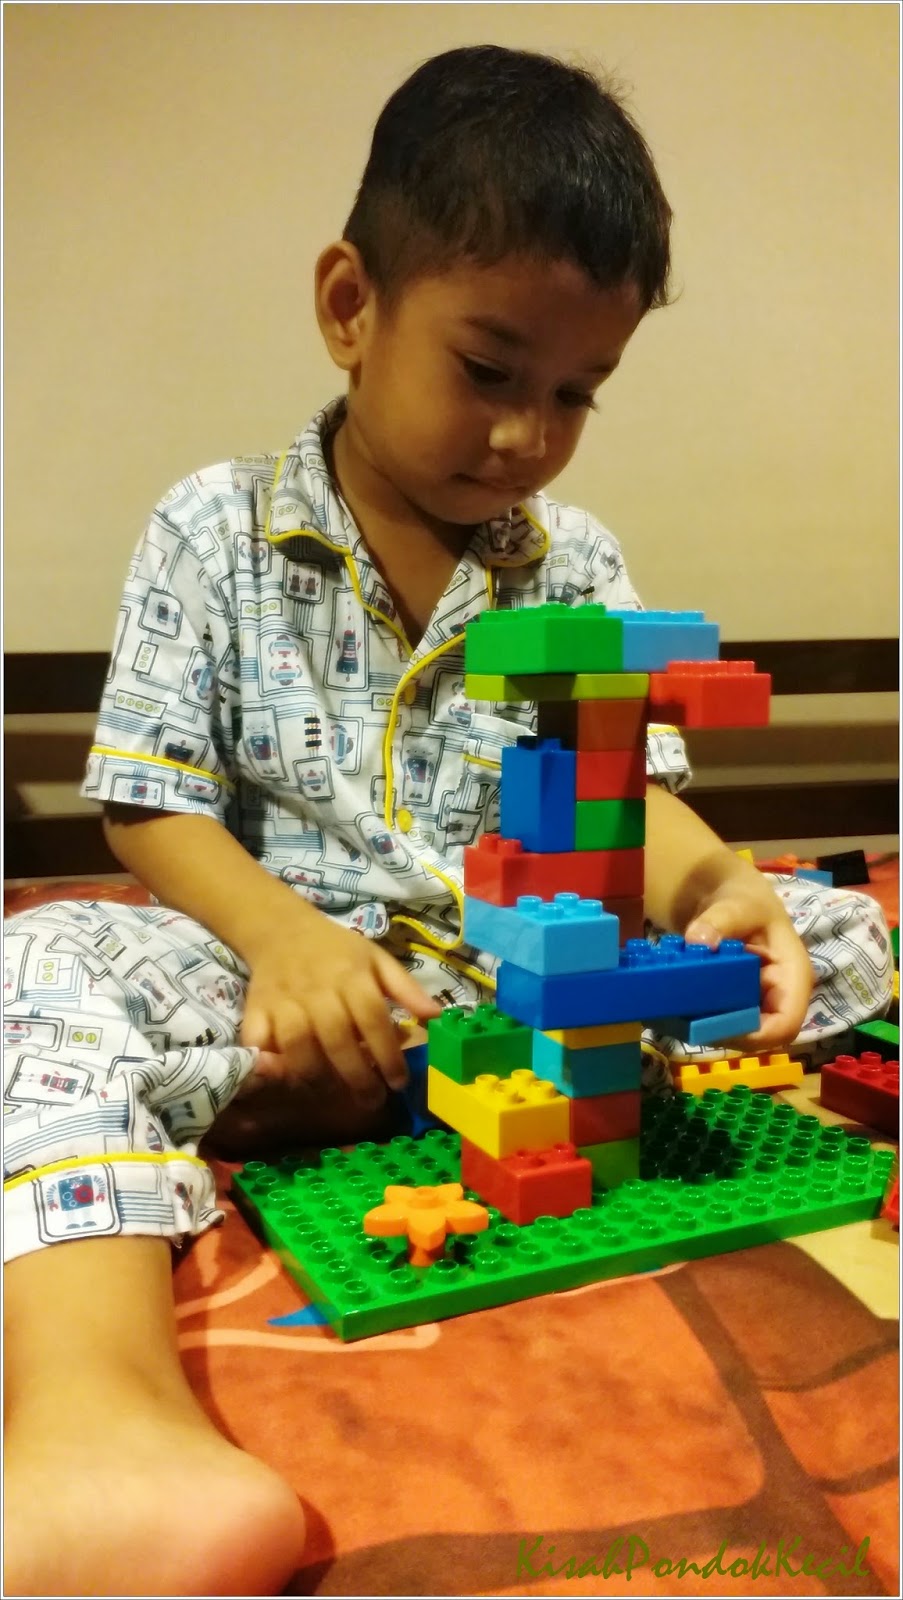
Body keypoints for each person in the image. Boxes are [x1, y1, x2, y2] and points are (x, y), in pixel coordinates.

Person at [3, 44, 892, 1598]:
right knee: (45, 966)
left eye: (576, 394)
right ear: (352, 305)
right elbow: (148, 807)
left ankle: (327, 1105)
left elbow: (637, 802)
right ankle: (100, 1420)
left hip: (541, 1001)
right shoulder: (214, 530)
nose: (529, 436)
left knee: (837, 931)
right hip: (301, 988)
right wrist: (284, 941)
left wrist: (716, 891)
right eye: (490, 371)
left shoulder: (574, 564)